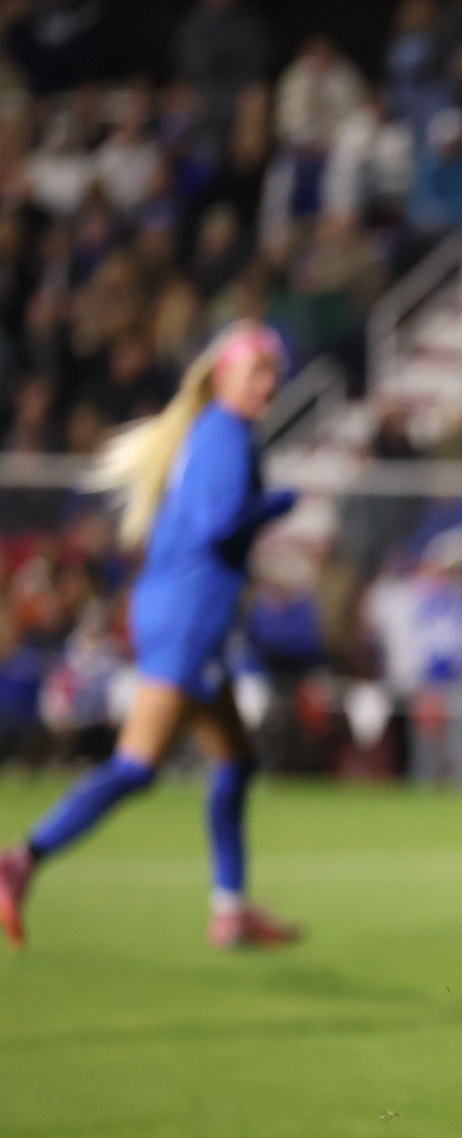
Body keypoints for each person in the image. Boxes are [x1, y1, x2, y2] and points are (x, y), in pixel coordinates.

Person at [0, 322, 300, 952]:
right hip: (189, 618)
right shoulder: (226, 434)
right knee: (137, 767)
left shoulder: (209, 431)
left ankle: (231, 910)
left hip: (181, 613)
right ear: (222, 378)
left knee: (237, 762)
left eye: (272, 371)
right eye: (257, 372)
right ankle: (23, 858)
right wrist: (277, 506)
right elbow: (220, 525)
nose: (268, 383)